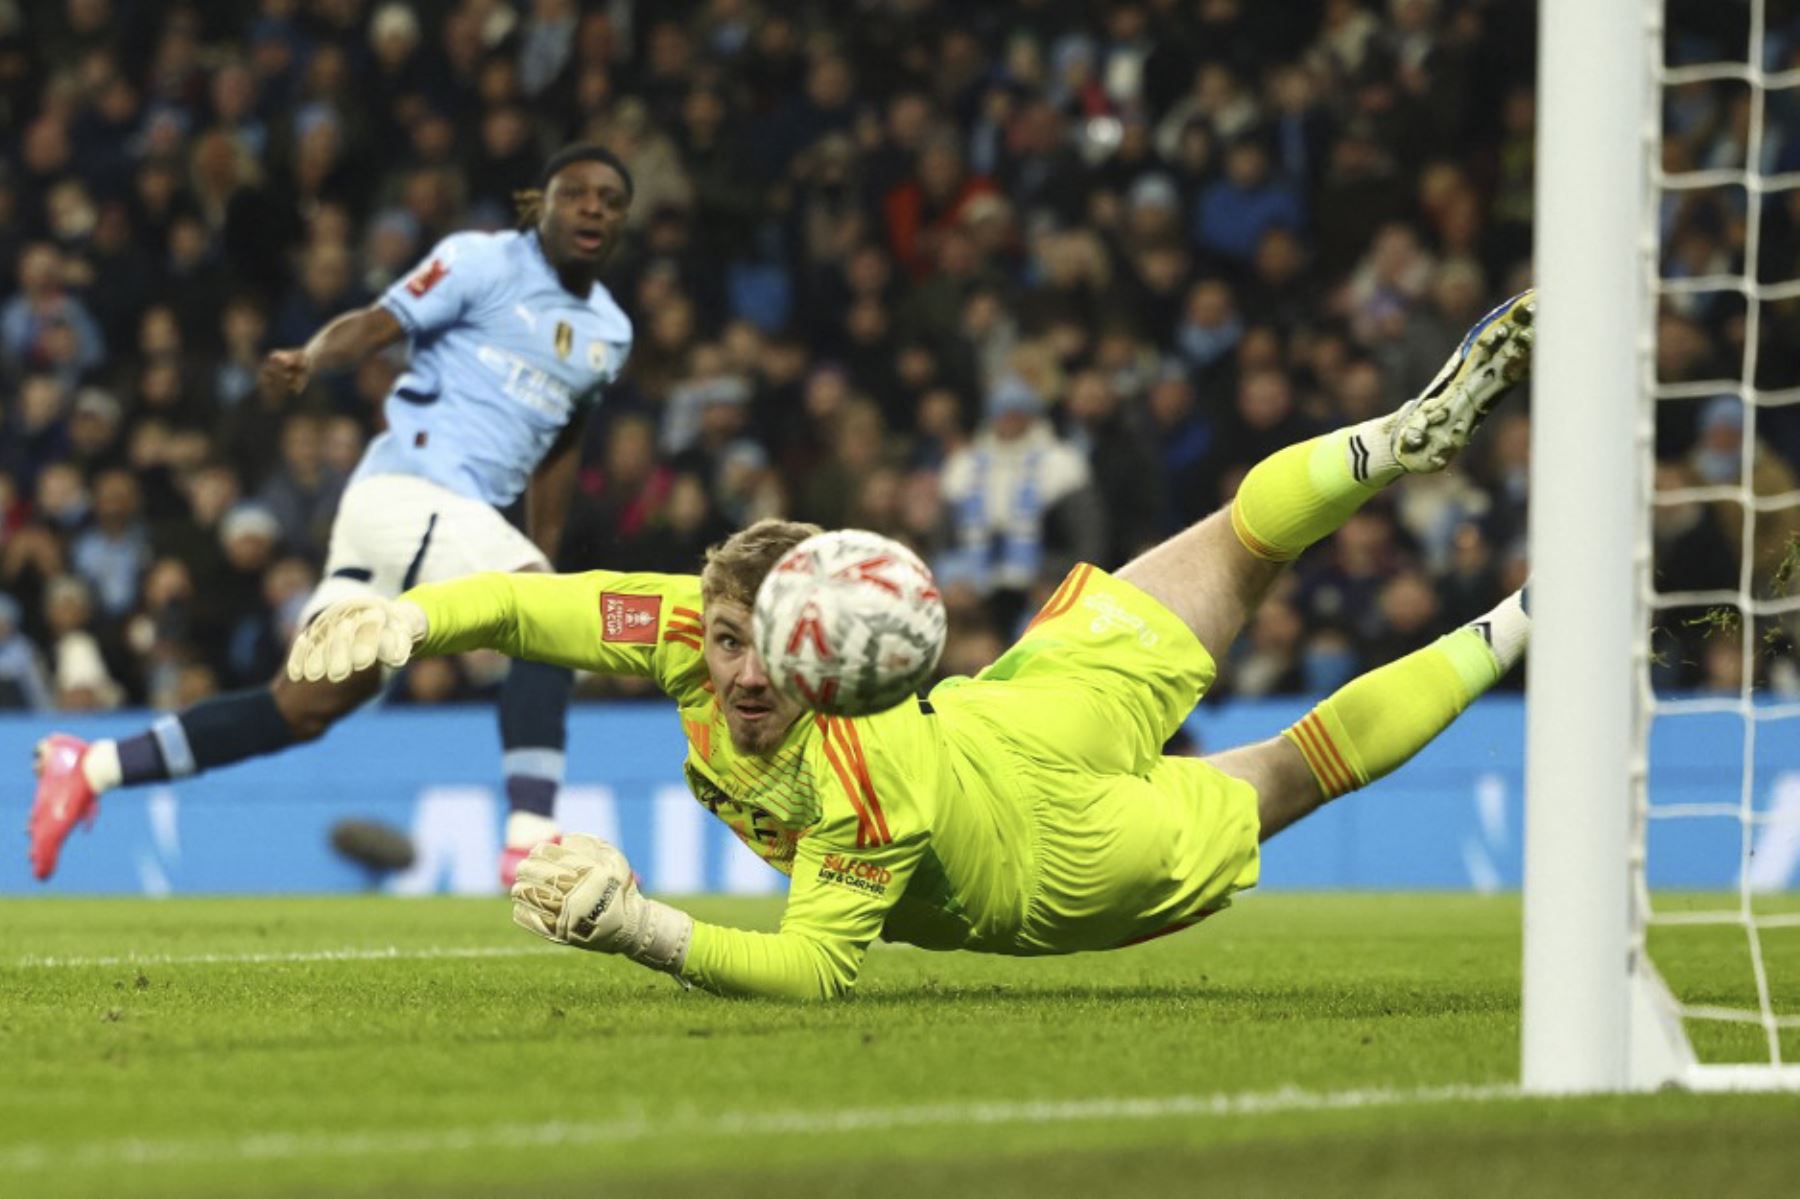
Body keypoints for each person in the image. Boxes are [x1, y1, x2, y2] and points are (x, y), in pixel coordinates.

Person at [289, 294, 1536, 1001]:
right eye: (724, 641)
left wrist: (640, 927)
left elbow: (817, 968)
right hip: (1013, 711)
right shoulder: (696, 624)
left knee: (1296, 765)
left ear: (828, 654)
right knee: (1238, 544)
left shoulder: (856, 771)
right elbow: (532, 609)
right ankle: (1399, 451)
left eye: (769, 655)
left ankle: (1529, 611)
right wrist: (413, 618)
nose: (738, 676)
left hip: (1061, 860)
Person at [28, 146, 638, 885]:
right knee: (549, 616)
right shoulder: (483, 262)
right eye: (576, 194)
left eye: (610, 199)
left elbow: (561, 445)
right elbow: (378, 322)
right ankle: (531, 839)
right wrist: (313, 357)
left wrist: (542, 553)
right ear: (541, 204)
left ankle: (89, 764)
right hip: (409, 491)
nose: (594, 209)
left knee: (301, 707)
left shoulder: (610, 334)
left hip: (410, 528)